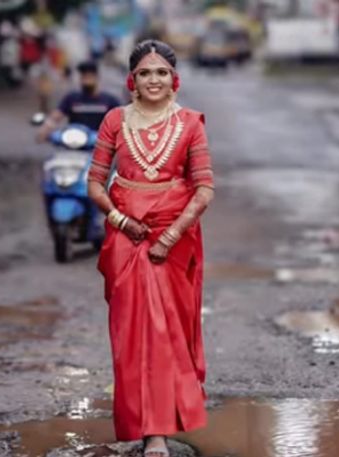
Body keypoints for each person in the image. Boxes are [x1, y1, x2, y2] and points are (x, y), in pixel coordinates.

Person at [86, 40, 214, 456]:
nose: (153, 80)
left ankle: (160, 429)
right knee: (133, 336)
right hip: (127, 240)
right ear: (132, 80)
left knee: (167, 335)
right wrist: (124, 222)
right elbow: (95, 182)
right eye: (145, 73)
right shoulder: (114, 121)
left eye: (160, 72)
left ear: (173, 79)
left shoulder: (191, 123)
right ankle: (147, 428)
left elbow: (204, 189)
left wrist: (170, 236)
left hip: (172, 242)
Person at [36, 61, 121, 142]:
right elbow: (55, 117)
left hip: (99, 145)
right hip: (73, 140)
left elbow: (122, 122)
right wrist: (44, 130)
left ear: (96, 77)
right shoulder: (72, 98)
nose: (86, 79)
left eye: (89, 76)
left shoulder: (109, 100)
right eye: (84, 76)